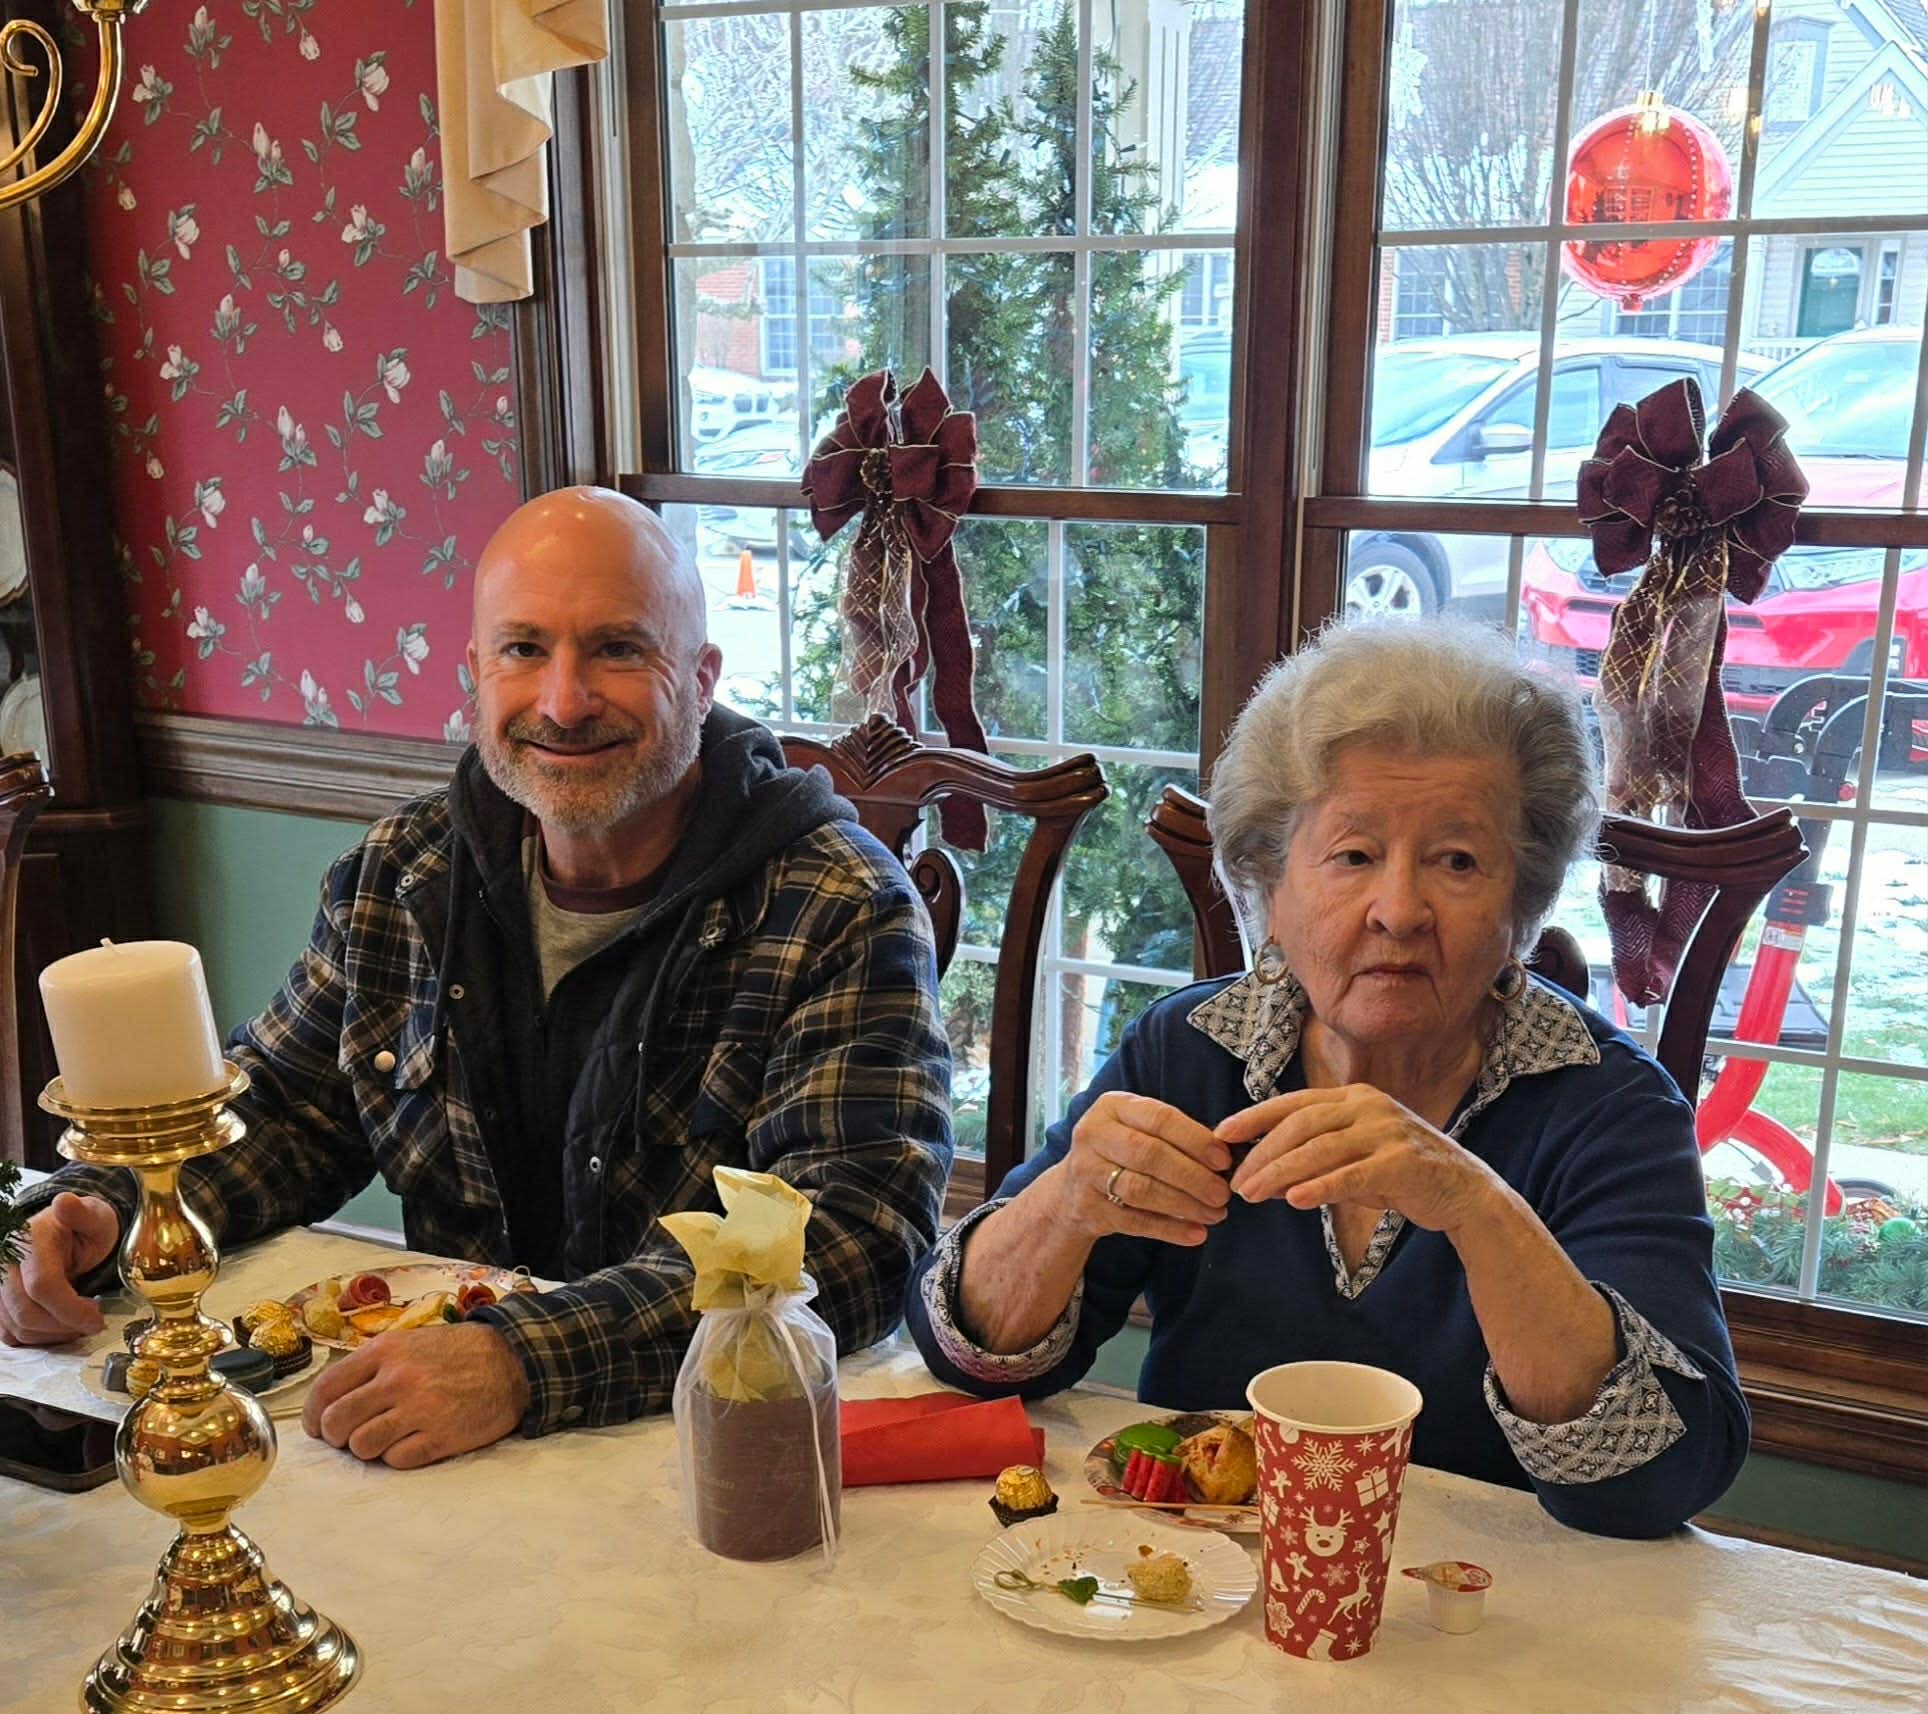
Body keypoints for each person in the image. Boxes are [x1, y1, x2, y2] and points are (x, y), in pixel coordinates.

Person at [1, 488, 953, 1467]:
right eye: (523, 649)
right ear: (475, 674)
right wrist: (109, 1208)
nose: (562, 702)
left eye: (618, 649)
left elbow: (853, 1241)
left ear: (701, 678)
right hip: (438, 1441)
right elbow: (284, 1112)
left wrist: (522, 1360)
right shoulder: (400, 875)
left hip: (708, 1454)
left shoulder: (839, 904)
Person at [906, 615, 1749, 1539]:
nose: (1399, 910)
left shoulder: (1608, 1105)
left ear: (1523, 900)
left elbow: (1657, 1480)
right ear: (1270, 886)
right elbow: (976, 1356)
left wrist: (1474, 1206)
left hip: (1480, 1601)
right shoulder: (1193, 1051)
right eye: (1354, 855)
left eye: (1457, 860)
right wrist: (1067, 1201)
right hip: (1192, 1580)